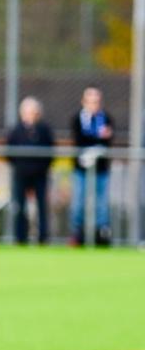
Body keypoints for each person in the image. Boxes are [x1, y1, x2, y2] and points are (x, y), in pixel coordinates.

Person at [6, 97, 54, 245]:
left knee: (42, 208)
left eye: (34, 112)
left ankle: (43, 238)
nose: (31, 115)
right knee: (19, 207)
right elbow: (9, 153)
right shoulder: (16, 130)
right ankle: (20, 238)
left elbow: (50, 153)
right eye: (28, 112)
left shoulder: (44, 130)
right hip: (21, 175)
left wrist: (40, 167)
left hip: (40, 175)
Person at [70, 87, 114, 246]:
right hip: (81, 170)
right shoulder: (77, 119)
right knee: (79, 203)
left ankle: (101, 235)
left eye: (96, 101)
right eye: (90, 101)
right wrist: (98, 138)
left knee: (101, 204)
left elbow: (107, 142)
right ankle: (77, 234)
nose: (94, 104)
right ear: (84, 102)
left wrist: (98, 140)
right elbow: (80, 140)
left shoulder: (106, 118)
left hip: (101, 169)